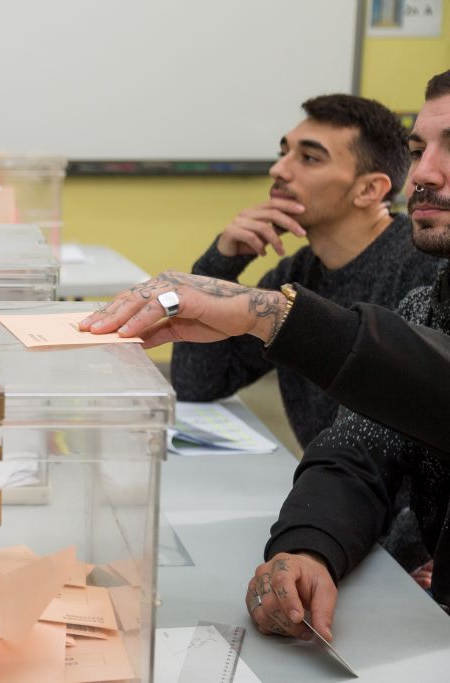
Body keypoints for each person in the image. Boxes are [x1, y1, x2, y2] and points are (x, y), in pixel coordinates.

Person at [80, 69, 450, 641]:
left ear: (370, 189)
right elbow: (361, 442)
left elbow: (419, 381)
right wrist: (309, 546)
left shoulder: (413, 271)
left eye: (308, 157)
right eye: (418, 150)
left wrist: (272, 314)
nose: (422, 173)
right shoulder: (350, 279)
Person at [170, 94, 441, 449]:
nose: (279, 170)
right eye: (284, 153)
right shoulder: (298, 273)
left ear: (369, 190)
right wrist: (219, 265)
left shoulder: (426, 269)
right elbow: (198, 384)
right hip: (329, 490)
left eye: (309, 158)